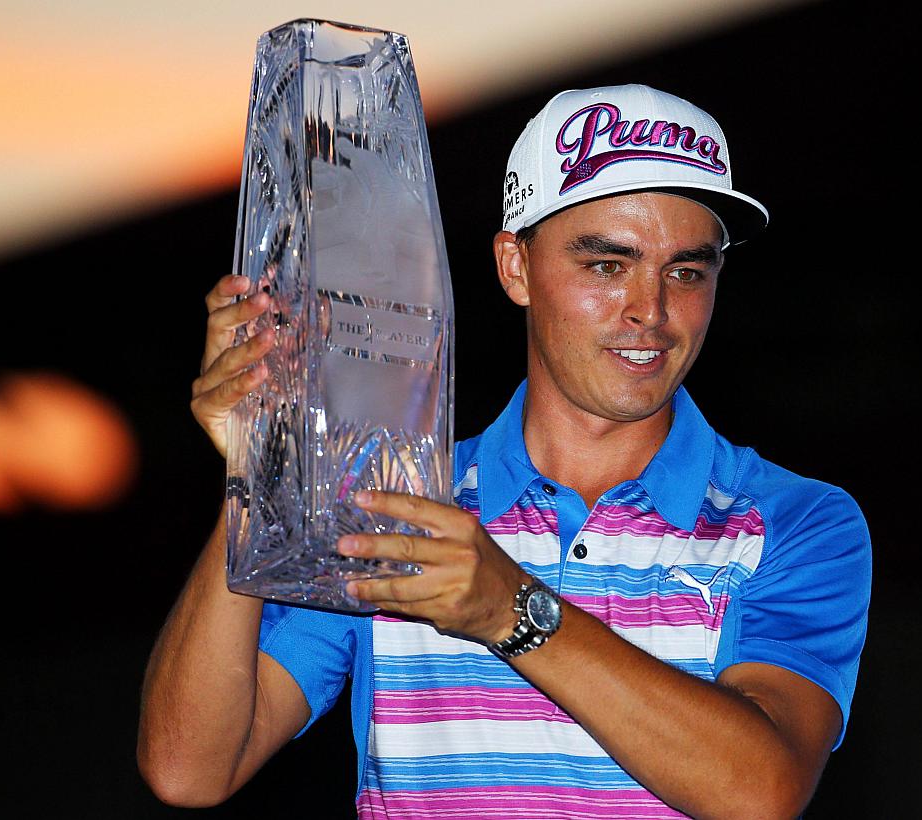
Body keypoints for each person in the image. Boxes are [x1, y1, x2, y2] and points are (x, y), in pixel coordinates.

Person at [138, 84, 872, 818]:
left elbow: (761, 791)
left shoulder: (797, 520)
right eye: (606, 265)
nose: (651, 310)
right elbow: (189, 768)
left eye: (687, 270)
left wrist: (510, 610)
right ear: (514, 267)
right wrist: (255, 474)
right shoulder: (391, 498)